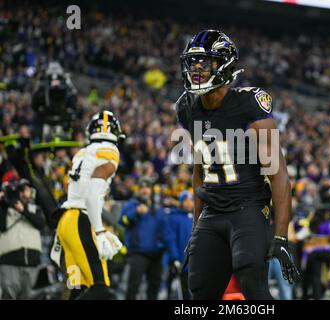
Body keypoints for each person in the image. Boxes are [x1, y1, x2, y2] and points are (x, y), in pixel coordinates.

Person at [176, 30, 301, 300]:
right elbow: (200, 174)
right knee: (199, 288)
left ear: (224, 65)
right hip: (212, 211)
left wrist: (281, 236)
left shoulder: (249, 105)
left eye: (205, 62)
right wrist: (196, 228)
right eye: (193, 62)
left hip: (248, 208)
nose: (196, 68)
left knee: (252, 285)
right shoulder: (187, 107)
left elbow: (278, 177)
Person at [52, 110, 124, 300]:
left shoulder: (83, 153)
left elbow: (75, 186)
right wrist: (100, 232)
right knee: (100, 290)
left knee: (78, 288)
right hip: (80, 221)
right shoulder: (109, 152)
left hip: (66, 222)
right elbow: (92, 193)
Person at [119, 177, 167, 300]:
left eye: (147, 188)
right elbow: (122, 221)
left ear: (151, 190)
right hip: (138, 252)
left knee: (154, 288)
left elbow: (164, 228)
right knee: (133, 287)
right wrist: (136, 211)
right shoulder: (132, 204)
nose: (144, 191)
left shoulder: (158, 207)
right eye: (142, 188)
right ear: (138, 190)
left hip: (157, 253)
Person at [0, 179, 47, 299]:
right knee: (8, 296)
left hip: (32, 263)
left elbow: (41, 224)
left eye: (26, 190)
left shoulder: (34, 209)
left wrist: (23, 210)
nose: (23, 194)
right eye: (20, 190)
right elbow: (2, 226)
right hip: (9, 262)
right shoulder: (5, 209)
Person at [165, 190, 194, 300]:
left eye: (190, 200)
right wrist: (175, 258)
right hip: (180, 261)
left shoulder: (196, 217)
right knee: (180, 292)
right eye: (186, 200)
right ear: (181, 202)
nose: (189, 203)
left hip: (193, 261)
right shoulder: (174, 217)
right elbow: (170, 239)